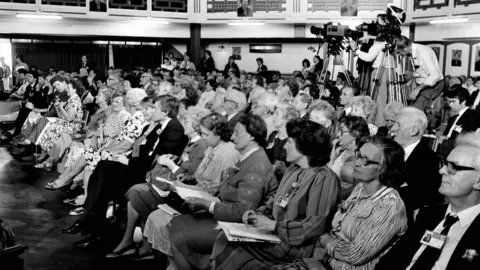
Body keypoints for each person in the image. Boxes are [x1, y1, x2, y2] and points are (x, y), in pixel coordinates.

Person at [60, 95, 188, 248]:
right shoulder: (154, 127)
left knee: (104, 178)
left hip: (148, 174)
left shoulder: (172, 127)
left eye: (154, 108)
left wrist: (128, 161)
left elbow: (156, 158)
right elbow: (141, 150)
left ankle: (91, 222)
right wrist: (128, 157)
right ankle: (92, 224)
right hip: (138, 166)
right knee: (102, 168)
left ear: (165, 111)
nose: (151, 111)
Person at [211, 119, 341, 269]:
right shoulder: (293, 169)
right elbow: (278, 201)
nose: (285, 146)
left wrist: (274, 225)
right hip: (276, 235)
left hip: (297, 247)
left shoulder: (324, 178)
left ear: (305, 146)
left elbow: (313, 227)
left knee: (232, 248)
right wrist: (258, 213)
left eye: (290, 142)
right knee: (223, 239)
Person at [168, 114, 278, 270]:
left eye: (237, 132)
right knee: (175, 223)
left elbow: (243, 211)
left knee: (180, 235)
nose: (232, 137)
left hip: (240, 225)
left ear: (252, 136)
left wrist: (207, 204)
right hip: (227, 215)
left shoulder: (256, 165)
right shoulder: (248, 158)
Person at [376, 132, 480, 270]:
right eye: (444, 163)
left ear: (478, 181)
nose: (442, 170)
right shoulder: (429, 214)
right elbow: (390, 262)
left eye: (453, 167)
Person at [316, 136, 408, 270]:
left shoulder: (388, 206)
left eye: (365, 160)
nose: (356, 163)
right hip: (328, 263)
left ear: (384, 167)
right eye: (358, 156)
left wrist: (324, 239)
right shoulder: (360, 189)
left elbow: (355, 255)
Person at [390, 107, 443, 222]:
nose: (392, 129)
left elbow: (420, 197)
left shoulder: (428, 160)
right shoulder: (388, 150)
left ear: (413, 130)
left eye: (397, 125)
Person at [394, 35, 443, 112]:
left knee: (416, 111)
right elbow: (423, 71)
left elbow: (435, 75)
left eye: (398, 52)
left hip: (432, 85)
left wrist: (417, 89)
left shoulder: (423, 53)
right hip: (424, 84)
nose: (399, 54)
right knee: (413, 109)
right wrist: (413, 74)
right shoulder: (412, 52)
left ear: (405, 47)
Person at [329, 115, 370, 198]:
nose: (338, 134)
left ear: (355, 134)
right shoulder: (340, 152)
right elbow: (328, 174)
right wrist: (332, 155)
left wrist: (335, 197)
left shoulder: (362, 156)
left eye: (342, 131)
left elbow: (358, 188)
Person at [267, 102, 299, 181]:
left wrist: (285, 170)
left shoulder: (293, 140)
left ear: (286, 118)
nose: (273, 116)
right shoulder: (273, 135)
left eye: (277, 114)